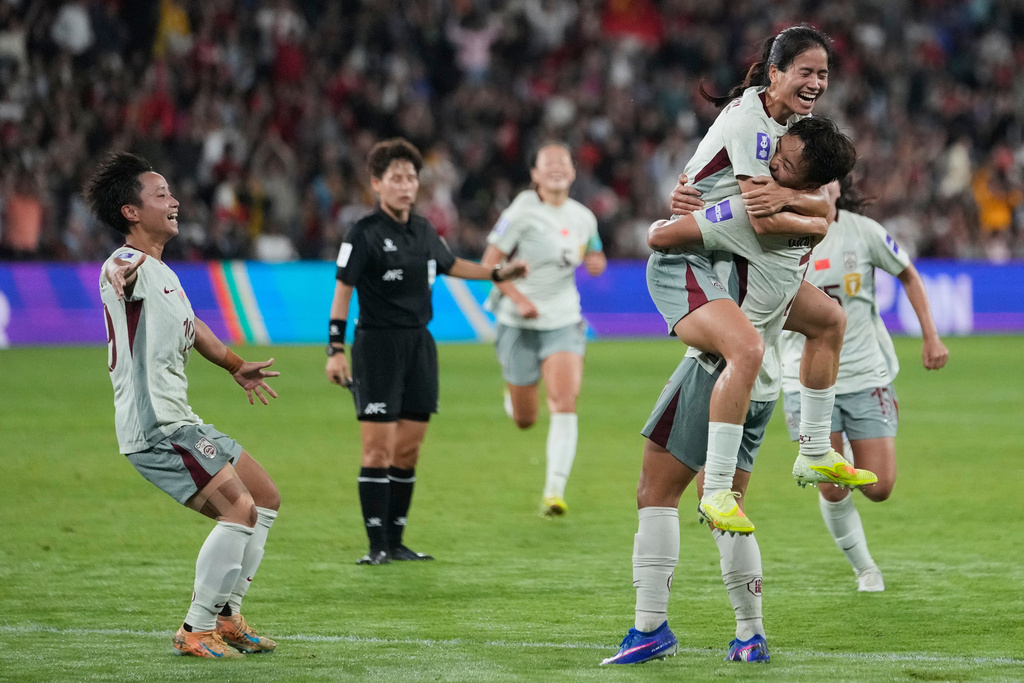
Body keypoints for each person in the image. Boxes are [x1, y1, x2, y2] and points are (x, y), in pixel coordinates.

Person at [602, 117, 857, 667]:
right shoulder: (811, 226)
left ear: (796, 177)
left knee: (656, 491)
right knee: (728, 511)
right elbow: (825, 303)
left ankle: (649, 626)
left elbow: (658, 237)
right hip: (763, 386)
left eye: (781, 159)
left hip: (719, 370)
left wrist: (683, 209)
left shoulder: (750, 213)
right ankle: (750, 634)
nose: (767, 159)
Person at [660, 24, 876, 536]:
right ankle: (715, 489)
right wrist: (817, 217)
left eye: (824, 73)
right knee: (747, 350)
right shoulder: (751, 125)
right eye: (806, 71)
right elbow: (761, 215)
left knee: (828, 320)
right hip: (702, 249)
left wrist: (811, 209)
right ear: (775, 72)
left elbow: (814, 201)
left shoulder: (792, 127)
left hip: (738, 248)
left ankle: (815, 450)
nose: (817, 83)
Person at [88, 152, 281, 659]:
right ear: (132, 212)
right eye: (160, 194)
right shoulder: (126, 263)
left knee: (264, 498)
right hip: (155, 427)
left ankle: (227, 615)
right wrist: (122, 274)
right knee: (237, 508)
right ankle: (194, 628)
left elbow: (199, 335)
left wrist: (237, 365)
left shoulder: (166, 277)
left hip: (182, 419)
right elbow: (118, 271)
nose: (173, 201)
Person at [325, 138, 527, 565]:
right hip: (376, 346)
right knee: (376, 450)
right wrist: (335, 349)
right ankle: (375, 546)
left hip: (420, 346)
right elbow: (342, 293)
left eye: (411, 177)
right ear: (377, 184)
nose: (405, 185)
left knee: (408, 450)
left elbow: (453, 265)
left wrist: (496, 272)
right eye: (395, 178)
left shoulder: (424, 230)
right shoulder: (362, 234)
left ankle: (396, 543)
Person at [778, 177, 950, 591]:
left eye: (829, 179)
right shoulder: (779, 234)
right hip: (802, 377)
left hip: (864, 372)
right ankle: (865, 569)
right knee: (834, 489)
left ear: (839, 187)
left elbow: (908, 274)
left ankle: (855, 442)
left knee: (880, 487)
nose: (821, 186)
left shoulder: (862, 232)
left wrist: (931, 335)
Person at [480, 142, 606, 517]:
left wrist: (597, 262)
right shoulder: (521, 211)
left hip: (564, 318)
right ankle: (514, 391)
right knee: (525, 419)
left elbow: (594, 250)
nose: (556, 167)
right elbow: (489, 264)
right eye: (546, 162)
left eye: (563, 162)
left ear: (572, 171)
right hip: (518, 320)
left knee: (565, 403)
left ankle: (554, 491)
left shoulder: (583, 216)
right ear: (534, 174)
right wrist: (519, 299)